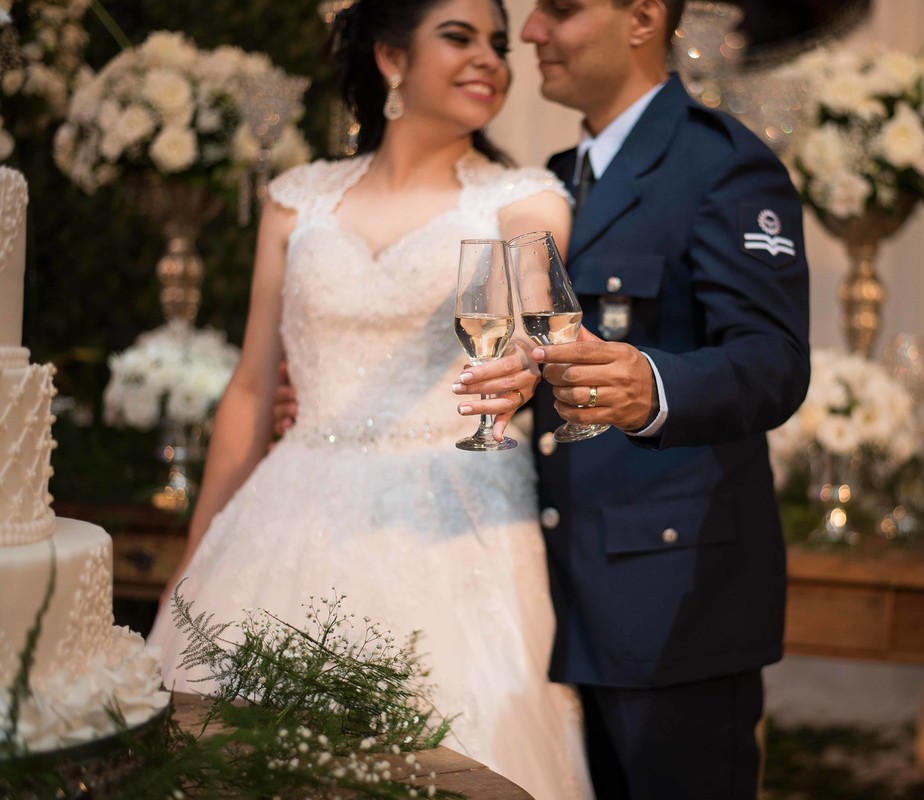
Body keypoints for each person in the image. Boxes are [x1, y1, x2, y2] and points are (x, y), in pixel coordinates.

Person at [146, 1, 593, 797]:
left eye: (498, 44)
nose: (491, 58)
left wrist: (529, 350)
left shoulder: (526, 195)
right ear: (390, 58)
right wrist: (193, 552)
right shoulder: (296, 200)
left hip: (454, 508)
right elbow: (252, 387)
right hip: (288, 505)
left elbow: (533, 291)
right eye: (458, 38)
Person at [455, 0, 811, 797]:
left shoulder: (721, 162)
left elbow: (776, 359)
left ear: (644, 17)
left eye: (561, 9)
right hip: (549, 596)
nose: (534, 31)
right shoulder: (552, 177)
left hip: (673, 603)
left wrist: (653, 385)